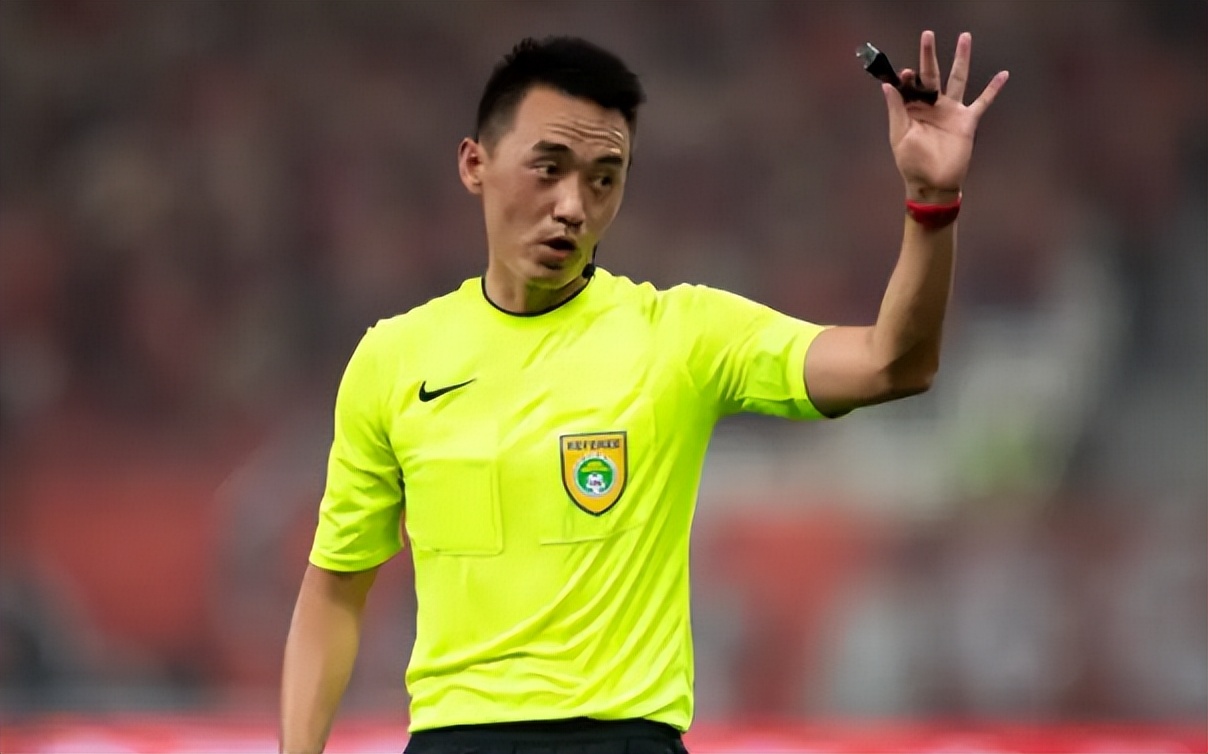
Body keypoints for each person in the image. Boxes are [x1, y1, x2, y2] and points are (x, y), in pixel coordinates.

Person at [280, 32, 1008, 754]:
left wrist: (931, 200)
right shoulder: (393, 359)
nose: (573, 205)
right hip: (455, 741)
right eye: (548, 168)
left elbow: (894, 364)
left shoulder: (681, 336)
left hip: (625, 740)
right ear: (475, 164)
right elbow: (336, 588)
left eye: (604, 178)